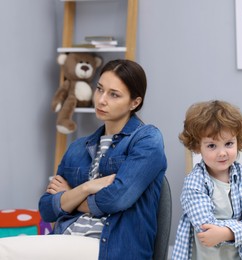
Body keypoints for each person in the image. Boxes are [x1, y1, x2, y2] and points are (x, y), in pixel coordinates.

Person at [0, 59, 167, 260]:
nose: (101, 100)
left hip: (110, 248)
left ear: (135, 102)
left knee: (4, 250)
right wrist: (86, 188)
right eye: (99, 89)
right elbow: (46, 208)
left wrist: (69, 196)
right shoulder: (79, 147)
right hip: (66, 238)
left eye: (114, 94)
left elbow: (116, 199)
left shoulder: (146, 139)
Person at [172, 100, 242, 260]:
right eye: (212, 146)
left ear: (238, 141)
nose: (222, 153)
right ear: (197, 146)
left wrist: (226, 233)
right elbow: (205, 228)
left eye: (229, 143)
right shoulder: (194, 182)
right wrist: (241, 227)